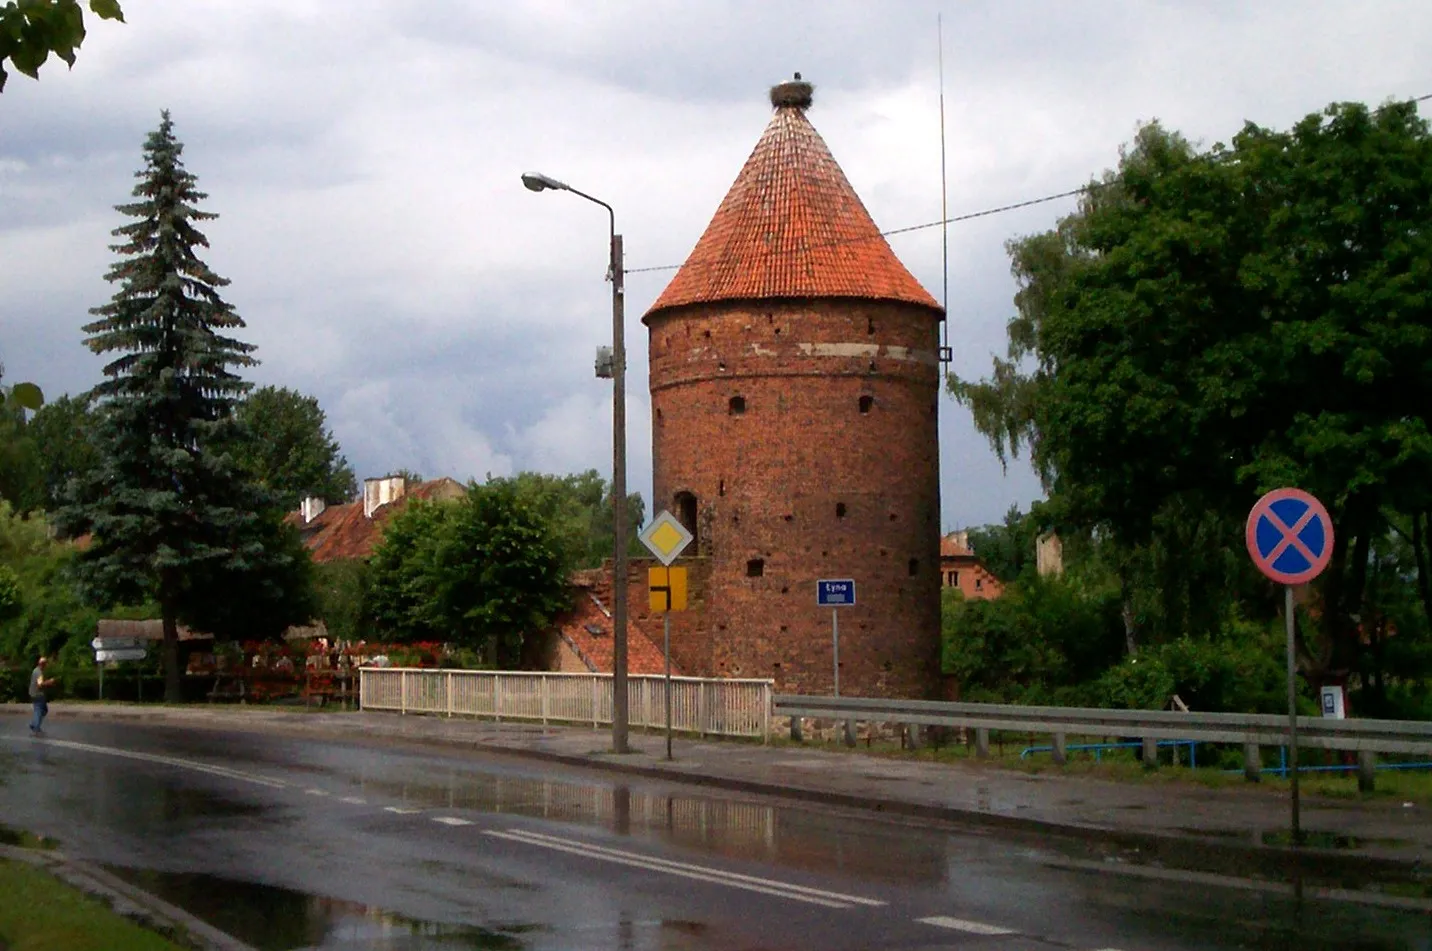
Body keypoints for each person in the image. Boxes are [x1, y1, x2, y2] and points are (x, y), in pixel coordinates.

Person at [29, 655, 55, 735]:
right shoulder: (39, 672)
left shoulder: (35, 670)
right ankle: (36, 727)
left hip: (33, 693)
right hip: (38, 694)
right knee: (39, 711)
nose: (46, 666)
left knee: (42, 710)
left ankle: (34, 724)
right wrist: (49, 682)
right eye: (45, 664)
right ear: (42, 664)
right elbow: (40, 685)